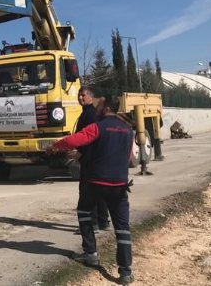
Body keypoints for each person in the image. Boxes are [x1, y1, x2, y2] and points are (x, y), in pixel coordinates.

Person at [47, 95, 135, 284]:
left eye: (99, 105)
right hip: (120, 185)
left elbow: (73, 141)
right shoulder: (128, 131)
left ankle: (91, 253)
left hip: (96, 183)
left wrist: (55, 146)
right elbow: (128, 157)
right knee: (122, 228)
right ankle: (126, 272)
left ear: (106, 108)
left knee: (84, 211)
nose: (96, 107)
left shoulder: (97, 127)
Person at [74, 87, 110, 231]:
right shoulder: (87, 113)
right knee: (98, 190)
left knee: (87, 191)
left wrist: (81, 152)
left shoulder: (90, 115)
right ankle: (103, 221)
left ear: (90, 97)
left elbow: (89, 137)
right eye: (79, 95)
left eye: (83, 95)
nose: (80, 98)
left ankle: (93, 222)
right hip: (94, 158)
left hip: (90, 158)